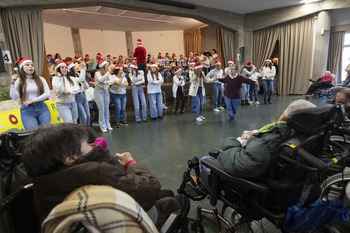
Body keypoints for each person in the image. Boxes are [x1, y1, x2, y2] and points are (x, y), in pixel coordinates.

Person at [21, 123, 181, 229]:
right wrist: (131, 164)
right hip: (123, 221)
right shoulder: (94, 171)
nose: (93, 146)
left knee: (165, 193)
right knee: (174, 200)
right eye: (87, 145)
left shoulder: (41, 182)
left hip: (86, 223)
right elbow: (149, 189)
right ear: (70, 158)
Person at [216, 99, 316, 178]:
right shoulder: (309, 137)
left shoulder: (269, 141)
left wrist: (233, 142)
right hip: (286, 180)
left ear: (286, 117)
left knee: (208, 158)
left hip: (254, 184)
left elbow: (241, 166)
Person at [10, 57, 51, 130]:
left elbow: (47, 94)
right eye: (27, 65)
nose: (30, 66)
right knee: (32, 134)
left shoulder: (41, 79)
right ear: (22, 68)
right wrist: (12, 83)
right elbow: (15, 97)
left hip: (42, 108)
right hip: (27, 110)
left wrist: (32, 101)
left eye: (32, 65)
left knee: (47, 132)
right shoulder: (19, 81)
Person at [94, 59, 114, 133]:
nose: (108, 67)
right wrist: (108, 73)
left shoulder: (107, 73)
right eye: (106, 66)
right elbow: (100, 79)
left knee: (106, 108)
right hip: (98, 92)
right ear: (103, 66)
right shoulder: (97, 73)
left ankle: (108, 124)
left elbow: (112, 81)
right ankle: (102, 126)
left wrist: (105, 82)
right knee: (101, 109)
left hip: (106, 91)